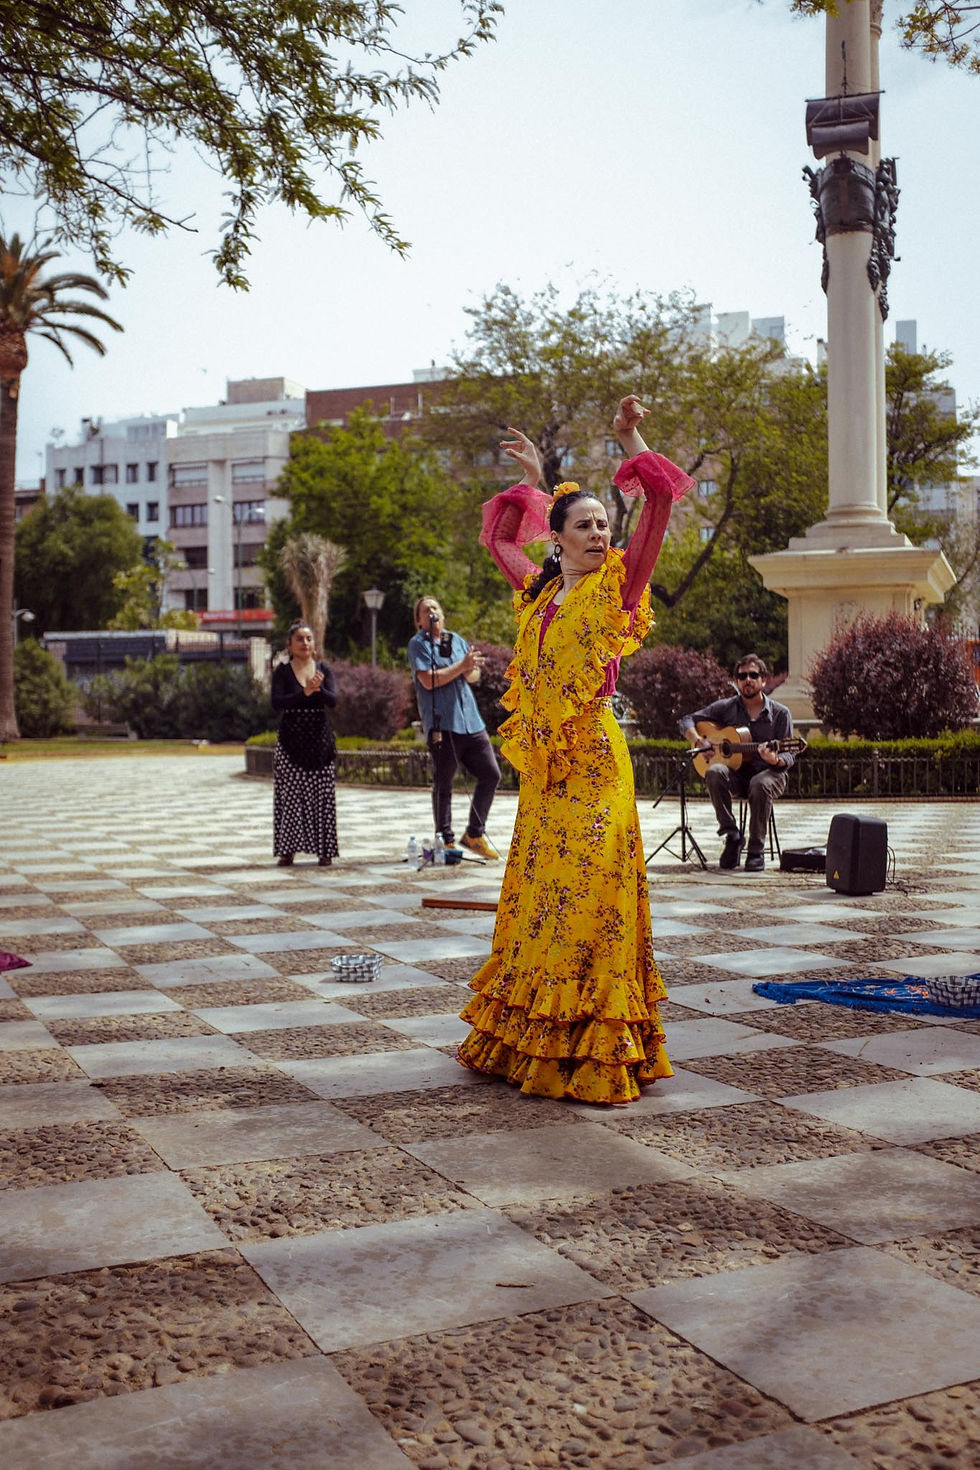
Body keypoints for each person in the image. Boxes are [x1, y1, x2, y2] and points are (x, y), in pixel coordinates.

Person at [456, 395, 694, 1105]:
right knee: (541, 901)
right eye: (585, 525)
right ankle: (527, 1041)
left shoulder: (619, 587)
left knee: (592, 900)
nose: (599, 533)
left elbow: (655, 500)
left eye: (603, 525)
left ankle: (598, 1045)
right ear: (556, 538)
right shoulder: (539, 595)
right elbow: (499, 539)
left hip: (596, 761)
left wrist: (630, 436)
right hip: (548, 774)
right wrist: (536, 477)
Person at [679, 655, 795, 872]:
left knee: (760, 783)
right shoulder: (726, 707)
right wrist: (698, 739)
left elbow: (789, 756)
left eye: (753, 675)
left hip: (771, 774)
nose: (747, 680)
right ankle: (732, 835)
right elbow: (686, 720)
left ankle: (755, 850)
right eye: (742, 676)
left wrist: (776, 759)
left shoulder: (781, 714)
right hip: (737, 775)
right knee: (714, 771)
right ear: (736, 680)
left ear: (763, 680)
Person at [407, 596, 502, 861]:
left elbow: (472, 676)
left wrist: (470, 667)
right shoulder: (418, 644)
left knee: (491, 774)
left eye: (436, 607)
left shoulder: (455, 640)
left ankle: (474, 834)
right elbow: (428, 681)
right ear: (419, 620)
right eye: (426, 611)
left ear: (443, 614)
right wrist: (461, 666)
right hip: (442, 722)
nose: (432, 612)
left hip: (470, 720)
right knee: (444, 781)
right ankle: (445, 840)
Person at [271, 619, 339, 867]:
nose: (305, 643)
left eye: (308, 639)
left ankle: (325, 850)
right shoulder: (282, 671)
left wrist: (318, 690)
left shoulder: (324, 670)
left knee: (322, 796)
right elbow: (277, 702)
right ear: (290, 644)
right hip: (291, 740)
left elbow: (334, 700)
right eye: (299, 639)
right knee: (290, 796)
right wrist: (304, 693)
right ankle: (287, 850)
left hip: (319, 740)